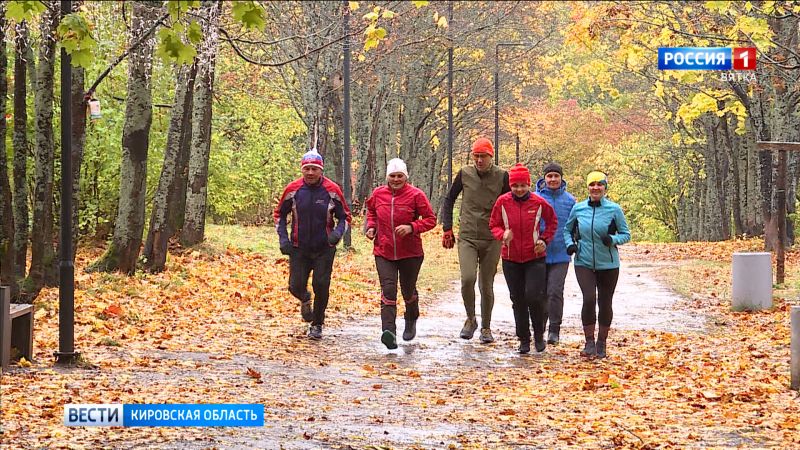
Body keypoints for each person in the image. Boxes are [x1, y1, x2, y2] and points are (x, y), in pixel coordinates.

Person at [274, 149, 351, 340]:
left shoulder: (332, 190)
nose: (310, 173)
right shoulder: (293, 189)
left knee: (321, 284)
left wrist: (336, 235)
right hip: (298, 247)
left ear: (321, 170)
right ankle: (305, 299)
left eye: (314, 169)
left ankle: (317, 324)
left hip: (324, 248)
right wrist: (283, 239)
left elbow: (345, 217)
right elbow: (279, 215)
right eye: (307, 168)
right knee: (294, 286)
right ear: (302, 169)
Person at [441, 137, 510, 343]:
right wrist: (447, 228)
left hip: (492, 237)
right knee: (467, 279)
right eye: (476, 156)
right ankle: (470, 319)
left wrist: (509, 230)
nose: (479, 160)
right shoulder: (465, 174)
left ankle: (486, 328)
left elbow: (510, 203)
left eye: (483, 156)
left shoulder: (502, 176)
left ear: (491, 156)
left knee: (486, 284)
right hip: (468, 235)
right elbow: (449, 199)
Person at [365, 158, 437, 350]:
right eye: (392, 176)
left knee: (407, 290)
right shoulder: (378, 194)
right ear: (387, 176)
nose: (396, 180)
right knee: (388, 289)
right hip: (384, 250)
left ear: (406, 177)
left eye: (400, 176)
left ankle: (411, 317)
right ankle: (389, 332)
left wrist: (412, 227)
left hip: (410, 253)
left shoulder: (416, 195)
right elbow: (371, 212)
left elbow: (431, 220)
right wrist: (371, 228)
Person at [489, 164, 557, 354]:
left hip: (534, 256)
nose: (519, 189)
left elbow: (552, 222)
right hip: (510, 258)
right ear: (510, 186)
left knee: (534, 296)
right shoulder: (502, 202)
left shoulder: (538, 202)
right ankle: (524, 339)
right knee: (517, 299)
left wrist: (544, 240)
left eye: (523, 185)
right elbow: (493, 224)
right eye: (515, 186)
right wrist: (502, 234)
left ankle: (538, 334)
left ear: (528, 184)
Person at [563, 171, 630, 358]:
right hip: (583, 261)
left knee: (605, 301)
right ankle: (589, 342)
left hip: (608, 264)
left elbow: (626, 234)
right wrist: (570, 245)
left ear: (605, 187)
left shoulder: (614, 209)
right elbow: (567, 230)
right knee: (589, 298)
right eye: (592, 184)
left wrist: (612, 239)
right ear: (588, 188)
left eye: (599, 184)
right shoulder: (578, 209)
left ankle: (602, 343)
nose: (595, 188)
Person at [535, 162, 576, 345]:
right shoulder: (535, 198)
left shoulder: (570, 201)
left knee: (555, 291)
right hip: (538, 254)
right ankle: (539, 328)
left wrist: (574, 244)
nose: (552, 179)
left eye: (556, 176)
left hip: (561, 254)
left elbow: (575, 226)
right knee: (539, 292)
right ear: (544, 178)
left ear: (561, 178)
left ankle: (554, 329)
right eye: (549, 176)